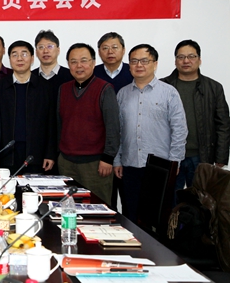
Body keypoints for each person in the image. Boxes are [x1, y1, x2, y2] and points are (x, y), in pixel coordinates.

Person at [114, 44, 187, 221]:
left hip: (160, 166)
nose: (139, 65)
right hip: (130, 165)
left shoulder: (169, 93)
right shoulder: (122, 94)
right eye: (134, 61)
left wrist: (174, 161)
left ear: (155, 64)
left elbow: (179, 129)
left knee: (157, 218)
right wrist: (117, 160)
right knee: (131, 215)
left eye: (144, 61)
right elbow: (118, 131)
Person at [162, 40, 230, 189]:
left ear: (199, 60)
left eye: (191, 56)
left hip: (201, 156)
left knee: (200, 200)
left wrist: (221, 157)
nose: (186, 61)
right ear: (175, 61)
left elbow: (223, 125)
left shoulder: (214, 88)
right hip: (169, 156)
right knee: (170, 199)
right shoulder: (163, 86)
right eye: (181, 57)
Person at [57, 43, 120, 205]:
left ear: (93, 63)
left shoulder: (104, 89)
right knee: (68, 209)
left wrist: (108, 158)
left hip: (95, 165)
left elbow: (113, 127)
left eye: (84, 60)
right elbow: (59, 124)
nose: (79, 66)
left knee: (97, 209)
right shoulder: (63, 89)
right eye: (73, 61)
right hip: (66, 163)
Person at [0, 41, 56, 174]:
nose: (19, 59)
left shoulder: (45, 87)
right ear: (9, 59)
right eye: (15, 55)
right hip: (7, 153)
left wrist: (50, 153)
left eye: (24, 54)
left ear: (32, 58)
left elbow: (52, 123)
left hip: (37, 153)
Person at [93, 31, 133, 208]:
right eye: (105, 48)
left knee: (130, 201)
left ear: (123, 50)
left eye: (115, 47)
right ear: (99, 52)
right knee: (105, 202)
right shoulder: (92, 73)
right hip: (102, 150)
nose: (110, 52)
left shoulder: (133, 72)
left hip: (129, 145)